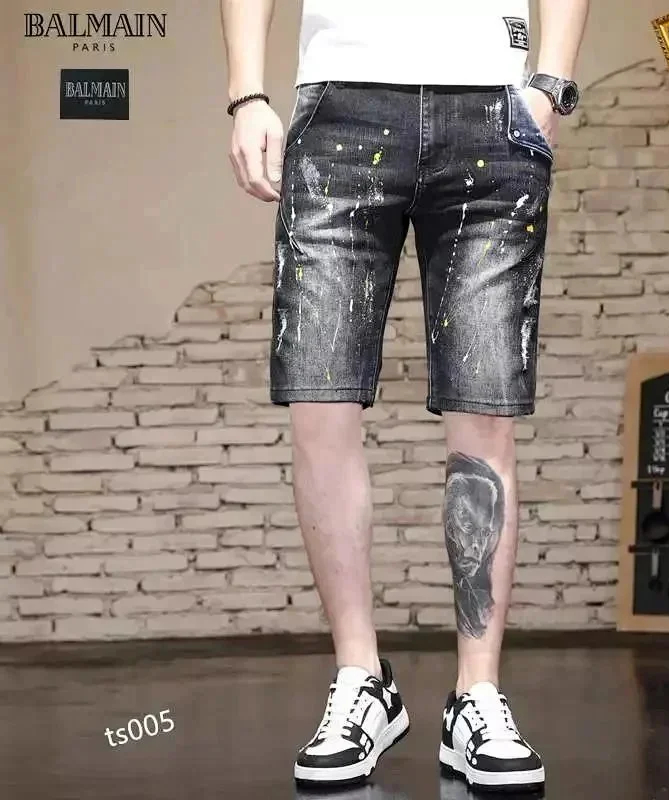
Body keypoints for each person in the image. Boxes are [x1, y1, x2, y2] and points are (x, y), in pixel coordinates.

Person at [220, 0, 589, 792]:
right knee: (319, 406)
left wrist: (551, 82)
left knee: (484, 416)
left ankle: (476, 695)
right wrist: (246, 92)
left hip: (494, 109)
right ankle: (362, 680)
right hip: (338, 105)